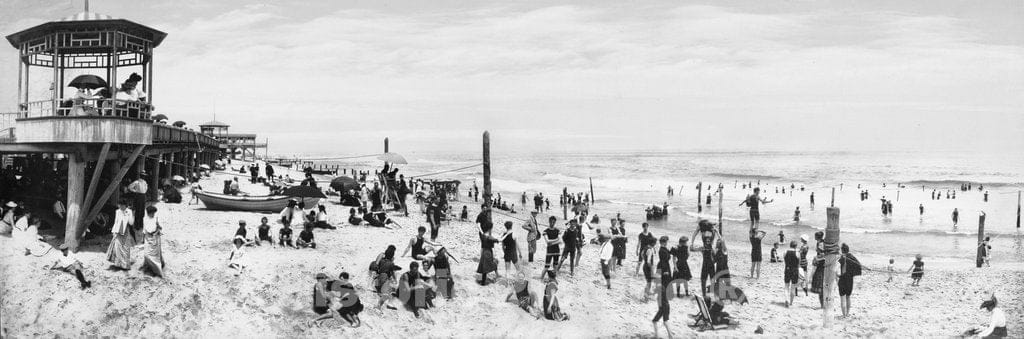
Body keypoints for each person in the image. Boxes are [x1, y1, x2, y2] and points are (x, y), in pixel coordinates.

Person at [651, 238, 673, 338]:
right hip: (665, 301)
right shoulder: (664, 266)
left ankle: (663, 335)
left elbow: (656, 278)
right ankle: (669, 335)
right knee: (664, 319)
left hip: (663, 301)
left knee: (661, 319)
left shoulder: (661, 264)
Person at [690, 220, 719, 294]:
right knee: (712, 275)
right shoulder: (712, 232)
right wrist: (717, 231)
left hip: (706, 256)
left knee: (704, 277)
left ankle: (704, 293)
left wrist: (692, 243)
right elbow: (719, 238)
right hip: (711, 254)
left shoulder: (703, 235)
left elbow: (695, 233)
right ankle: (713, 292)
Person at [106, 200, 134, 271]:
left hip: (125, 231)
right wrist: (114, 231)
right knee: (118, 247)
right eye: (120, 205)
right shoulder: (117, 211)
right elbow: (116, 221)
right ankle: (118, 263)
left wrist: (129, 215)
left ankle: (125, 264)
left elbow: (131, 223)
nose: (121, 207)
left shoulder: (129, 211)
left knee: (125, 247)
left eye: (122, 205)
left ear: (125, 205)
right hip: (118, 230)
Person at [141, 206, 165, 277]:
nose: (153, 214)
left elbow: (160, 228)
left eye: (154, 213)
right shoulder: (145, 219)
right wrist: (143, 240)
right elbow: (144, 230)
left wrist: (158, 226)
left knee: (155, 255)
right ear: (148, 213)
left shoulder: (156, 219)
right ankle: (149, 266)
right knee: (147, 254)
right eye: (151, 213)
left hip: (155, 238)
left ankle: (157, 270)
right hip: (147, 238)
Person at [838, 243, 861, 318]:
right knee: (848, 297)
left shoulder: (841, 258)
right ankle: (847, 313)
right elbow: (858, 265)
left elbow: (836, 269)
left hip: (842, 279)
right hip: (849, 280)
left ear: (842, 250)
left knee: (842, 297)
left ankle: (844, 314)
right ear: (848, 250)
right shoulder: (851, 257)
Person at [127, 174, 148, 241]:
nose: (143, 177)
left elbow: (146, 188)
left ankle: (141, 225)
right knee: (138, 210)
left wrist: (143, 193)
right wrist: (135, 191)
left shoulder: (144, 182)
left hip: (143, 196)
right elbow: (130, 187)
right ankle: (137, 225)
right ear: (141, 176)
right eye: (142, 175)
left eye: (144, 176)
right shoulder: (137, 182)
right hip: (138, 196)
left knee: (142, 211)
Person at [783, 240, 800, 307]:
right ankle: (791, 302)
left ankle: (786, 299)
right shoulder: (797, 253)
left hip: (787, 269)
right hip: (795, 271)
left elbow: (785, 261)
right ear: (796, 246)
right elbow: (799, 263)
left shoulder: (785, 251)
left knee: (786, 286)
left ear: (790, 245)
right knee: (793, 287)